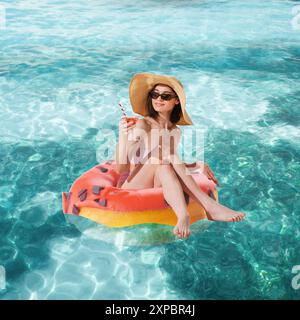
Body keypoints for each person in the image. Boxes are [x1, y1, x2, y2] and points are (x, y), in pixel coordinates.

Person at [113, 73, 245, 239]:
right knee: (161, 156)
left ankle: (183, 216)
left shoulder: (175, 131)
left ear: (176, 101)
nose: (158, 99)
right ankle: (209, 205)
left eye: (165, 96)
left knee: (164, 165)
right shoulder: (144, 124)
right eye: (155, 94)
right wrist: (124, 137)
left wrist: (195, 165)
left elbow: (171, 163)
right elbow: (120, 168)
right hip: (132, 183)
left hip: (157, 178)